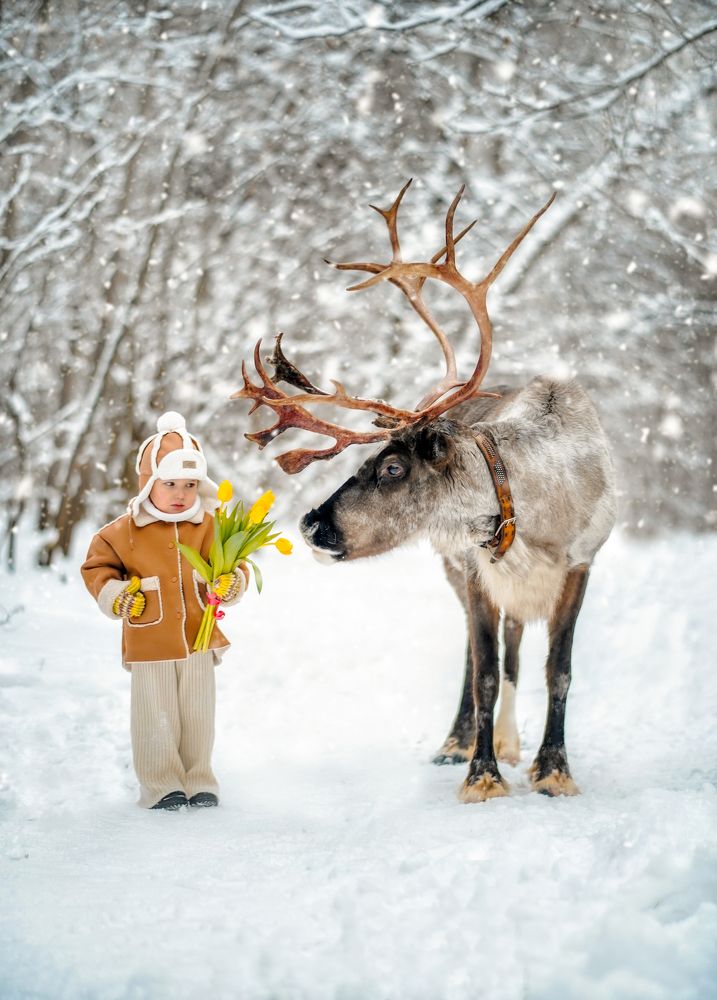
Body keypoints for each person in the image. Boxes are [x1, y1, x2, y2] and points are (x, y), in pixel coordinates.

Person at [81, 411, 248, 811]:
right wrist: (117, 595)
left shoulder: (210, 526)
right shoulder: (122, 532)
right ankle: (160, 785)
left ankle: (199, 778)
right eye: (169, 483)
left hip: (199, 637)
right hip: (149, 637)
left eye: (190, 485)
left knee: (198, 714)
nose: (181, 494)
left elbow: (235, 564)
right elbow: (97, 569)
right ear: (148, 483)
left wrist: (232, 583)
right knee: (155, 714)